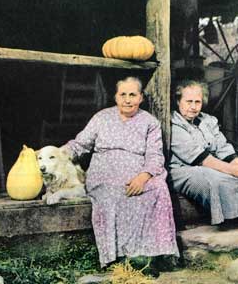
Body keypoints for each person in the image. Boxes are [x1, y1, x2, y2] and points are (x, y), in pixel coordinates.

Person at [62, 76, 179, 267]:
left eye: (132, 94)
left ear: (141, 97)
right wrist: (58, 154)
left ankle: (155, 254)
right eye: (122, 94)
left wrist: (142, 177)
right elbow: (80, 144)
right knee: (114, 193)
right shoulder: (101, 118)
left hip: (138, 174)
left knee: (158, 188)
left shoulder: (150, 122)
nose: (127, 99)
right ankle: (122, 258)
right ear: (115, 97)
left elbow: (155, 156)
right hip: (104, 174)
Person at [169, 80, 238, 229]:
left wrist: (237, 162)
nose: (193, 107)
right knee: (215, 179)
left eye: (197, 102)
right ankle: (227, 218)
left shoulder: (208, 120)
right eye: (188, 101)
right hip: (184, 169)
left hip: (211, 164)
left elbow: (222, 146)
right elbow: (200, 158)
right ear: (178, 101)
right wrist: (231, 169)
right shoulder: (173, 123)